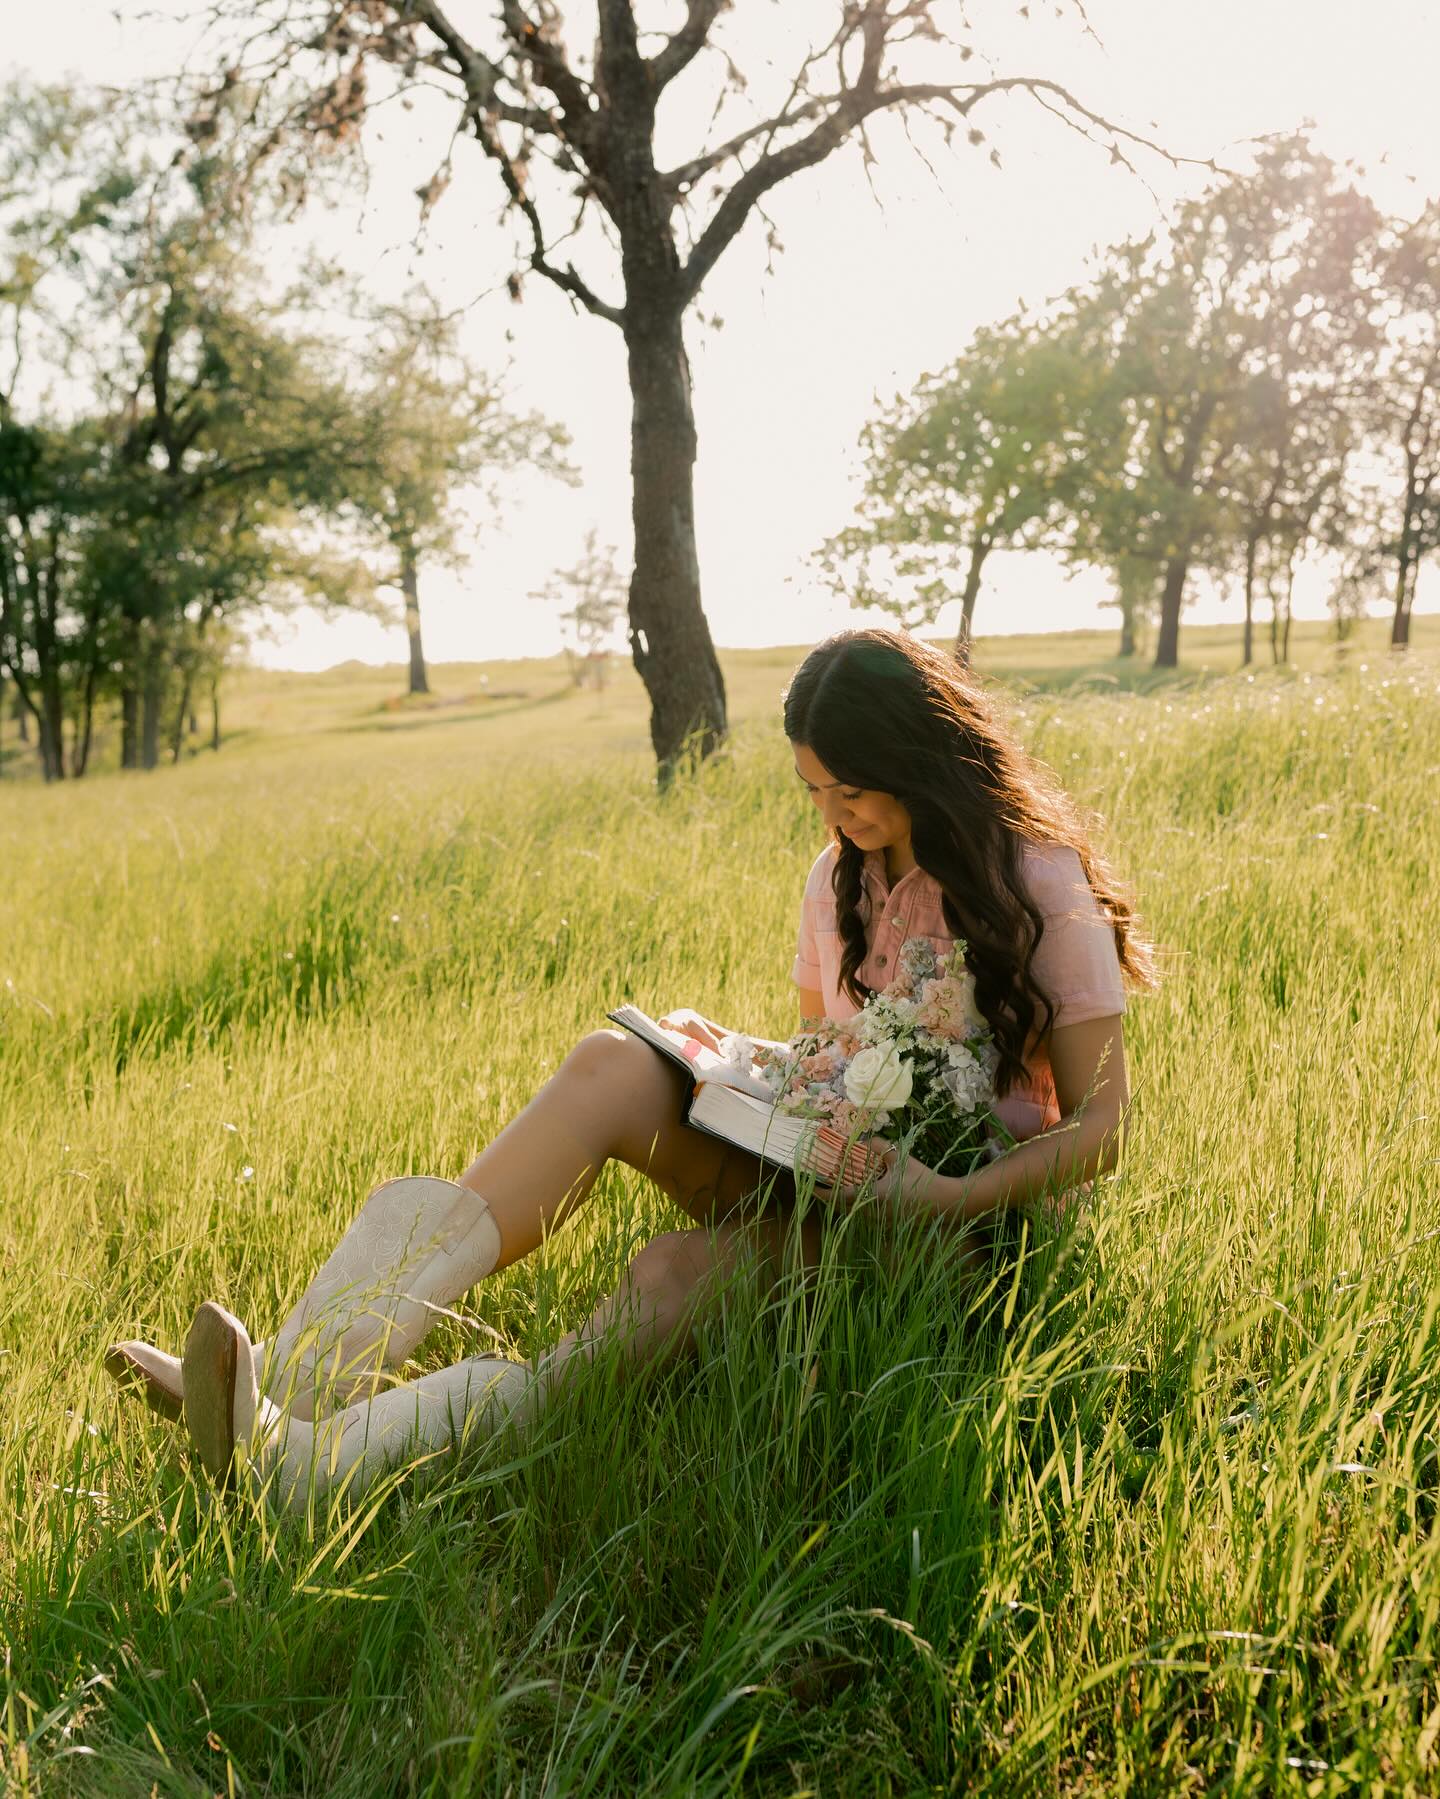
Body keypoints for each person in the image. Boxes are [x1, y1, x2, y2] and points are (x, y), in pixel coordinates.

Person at [106, 627, 1156, 1513]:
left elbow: (1104, 1125)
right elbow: (826, 1059)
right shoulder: (838, 873)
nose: (838, 815)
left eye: (856, 789)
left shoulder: (1038, 881)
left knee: (668, 1275)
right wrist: (733, 1064)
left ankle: (311, 1465)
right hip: (830, 1174)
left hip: (954, 1230)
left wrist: (946, 1193)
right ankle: (291, 1379)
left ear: (927, 761)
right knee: (616, 1061)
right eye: (816, 791)